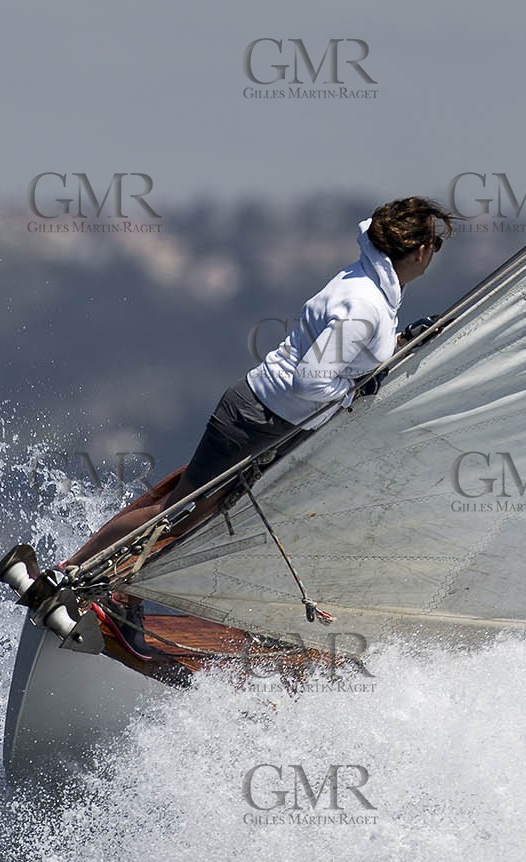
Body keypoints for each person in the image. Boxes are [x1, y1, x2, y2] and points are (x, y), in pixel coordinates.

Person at [58, 196, 454, 655]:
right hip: (257, 417)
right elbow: (313, 380)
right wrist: (357, 389)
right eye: (436, 245)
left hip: (275, 421)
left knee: (198, 515)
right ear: (421, 250)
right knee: (180, 506)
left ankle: (115, 589)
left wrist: (402, 342)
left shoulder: (372, 287)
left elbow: (345, 358)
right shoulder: (365, 302)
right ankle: (72, 573)